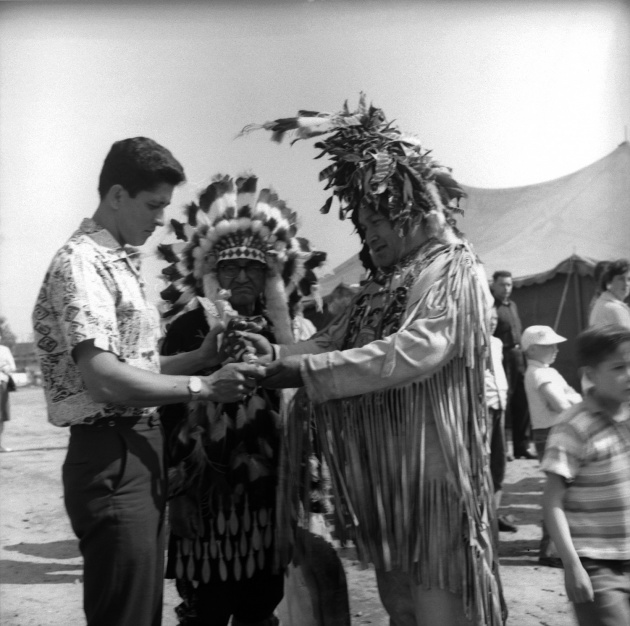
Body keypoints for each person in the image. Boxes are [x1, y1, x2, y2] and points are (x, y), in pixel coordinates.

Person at [244, 95, 506, 625]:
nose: (369, 233)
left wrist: (304, 370)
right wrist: (274, 353)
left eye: (379, 218)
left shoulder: (454, 269)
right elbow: (329, 343)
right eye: (362, 221)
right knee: (400, 606)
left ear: (411, 209)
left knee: (437, 610)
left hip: (434, 479)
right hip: (387, 484)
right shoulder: (378, 285)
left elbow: (421, 347)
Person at [31, 138, 264, 626]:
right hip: (112, 450)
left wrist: (198, 358)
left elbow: (135, 366)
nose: (160, 219)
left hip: (136, 450)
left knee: (138, 611)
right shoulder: (82, 263)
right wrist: (204, 386)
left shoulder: (114, 259)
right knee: (126, 615)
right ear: (117, 195)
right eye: (153, 204)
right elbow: (106, 381)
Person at [156, 173, 339, 626]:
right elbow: (168, 417)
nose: (240, 276)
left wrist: (311, 488)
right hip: (204, 505)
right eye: (229, 267)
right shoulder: (186, 331)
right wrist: (175, 495)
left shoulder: (291, 336)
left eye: (252, 267)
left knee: (261, 611)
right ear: (210, 273)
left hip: (269, 504)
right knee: (205, 615)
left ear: (269, 274)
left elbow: (308, 416)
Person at [542, 324, 630, 626]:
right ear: (590, 374)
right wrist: (572, 565)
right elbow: (553, 502)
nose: (629, 375)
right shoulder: (573, 426)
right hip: (597, 566)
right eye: (619, 367)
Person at [521, 325, 581, 567]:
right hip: (552, 434)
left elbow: (569, 397)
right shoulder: (540, 375)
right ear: (532, 349)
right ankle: (550, 548)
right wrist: (579, 407)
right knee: (559, 490)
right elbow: (561, 404)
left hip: (553, 432)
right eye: (549, 345)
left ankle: (556, 546)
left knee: (562, 490)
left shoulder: (547, 372)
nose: (555, 349)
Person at [492, 270, 535, 459]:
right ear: (493, 285)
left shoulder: (513, 305)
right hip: (502, 357)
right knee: (504, 403)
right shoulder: (490, 307)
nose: (506, 288)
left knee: (522, 402)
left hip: (519, 356)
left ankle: (521, 447)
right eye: (502, 284)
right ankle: (503, 450)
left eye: (509, 284)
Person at [485, 307, 514, 533]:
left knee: (499, 463)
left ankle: (495, 514)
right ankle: (483, 517)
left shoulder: (496, 343)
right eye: (488, 317)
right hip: (483, 406)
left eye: (495, 318)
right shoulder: (472, 341)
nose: (492, 322)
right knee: (483, 462)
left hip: (500, 403)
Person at [589, 259, 630, 329]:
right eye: (621, 279)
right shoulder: (615, 308)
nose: (626, 283)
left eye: (629, 279)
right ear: (609, 282)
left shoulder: (602, 303)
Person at [0, 333, 16, 452]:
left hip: (1, 383)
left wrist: (7, 369)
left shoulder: (4, 350)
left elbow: (13, 367)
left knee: (1, 416)